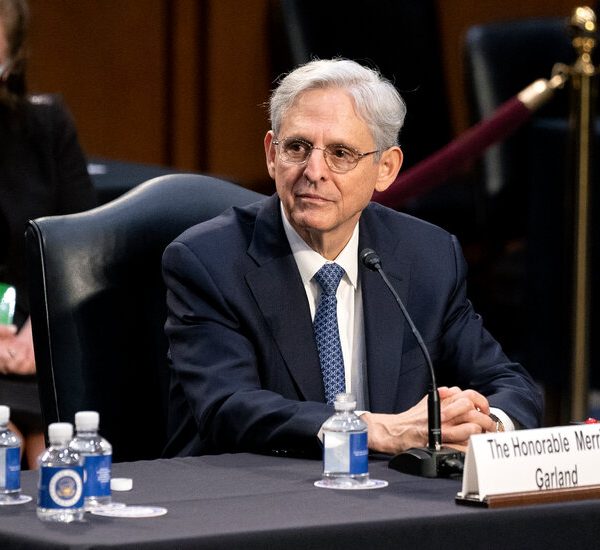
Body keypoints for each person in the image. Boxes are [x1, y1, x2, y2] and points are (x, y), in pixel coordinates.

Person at [162, 58, 543, 458]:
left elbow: (510, 384)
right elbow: (228, 407)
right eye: (297, 147)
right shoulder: (209, 261)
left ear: (386, 168)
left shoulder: (427, 256)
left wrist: (485, 426)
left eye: (340, 153)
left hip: (387, 489)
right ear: (272, 155)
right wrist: (370, 430)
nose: (314, 171)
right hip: (249, 486)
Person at [0, 0, 96, 468]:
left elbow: (83, 246)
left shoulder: (45, 124)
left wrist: (39, 331)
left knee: (50, 453)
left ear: (12, 59)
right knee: (7, 444)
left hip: (36, 334)